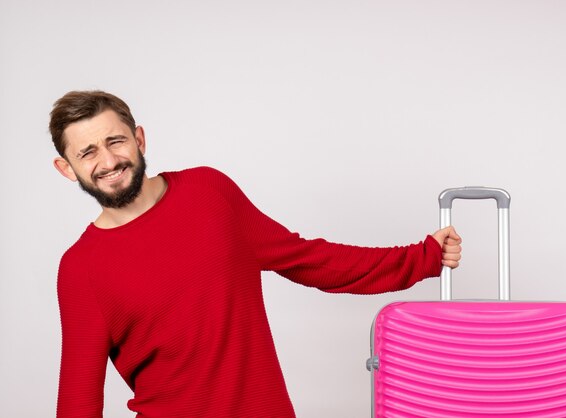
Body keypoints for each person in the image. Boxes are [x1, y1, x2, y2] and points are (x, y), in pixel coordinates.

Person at [50, 90, 462, 418]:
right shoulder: (80, 269)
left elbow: (309, 260)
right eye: (87, 152)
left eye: (115, 141)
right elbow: (78, 402)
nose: (108, 161)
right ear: (67, 168)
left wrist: (423, 257)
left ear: (138, 139)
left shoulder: (208, 193)